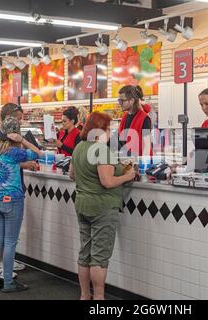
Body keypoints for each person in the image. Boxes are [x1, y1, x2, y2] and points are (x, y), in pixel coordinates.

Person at [69, 112, 136, 300]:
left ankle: (84, 295)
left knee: (85, 253)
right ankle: (99, 297)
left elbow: (72, 175)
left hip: (82, 203)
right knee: (99, 257)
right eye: (109, 128)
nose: (111, 132)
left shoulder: (79, 148)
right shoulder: (102, 150)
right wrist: (127, 176)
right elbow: (107, 181)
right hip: (102, 207)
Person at [0, 117, 43, 292]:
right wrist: (22, 140)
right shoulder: (14, 152)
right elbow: (40, 154)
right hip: (13, 200)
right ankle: (8, 282)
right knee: (10, 243)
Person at [0, 103, 34, 273]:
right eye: (18, 119)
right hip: (12, 195)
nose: (20, 124)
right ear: (9, 118)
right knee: (9, 240)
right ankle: (6, 273)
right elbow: (39, 154)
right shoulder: (3, 140)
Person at [117, 85, 152, 157]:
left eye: (122, 101)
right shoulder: (124, 117)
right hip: (128, 162)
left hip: (140, 163)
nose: (120, 104)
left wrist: (143, 165)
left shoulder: (145, 119)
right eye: (119, 101)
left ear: (132, 101)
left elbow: (147, 146)